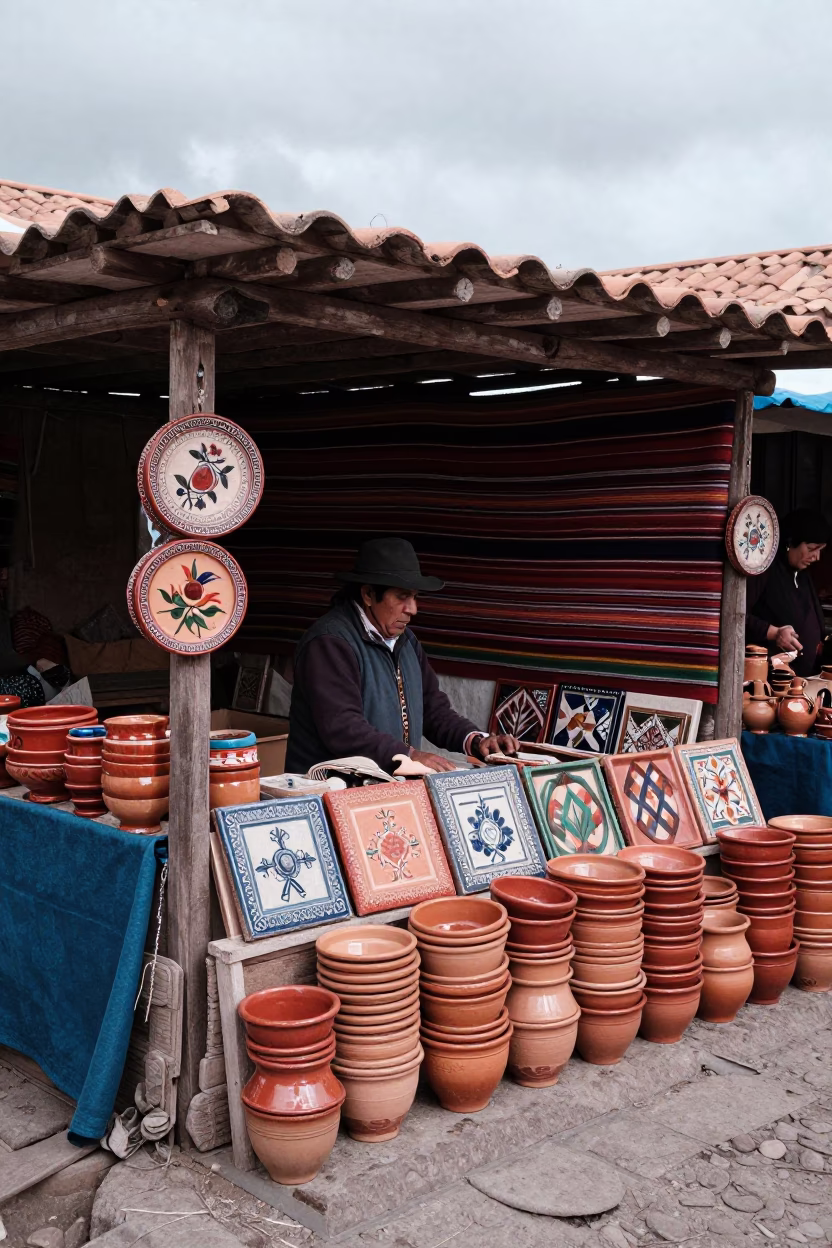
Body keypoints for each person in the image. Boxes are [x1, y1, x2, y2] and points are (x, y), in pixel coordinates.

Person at [286, 537, 519, 775]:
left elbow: (433, 709)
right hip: (328, 790)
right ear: (368, 594)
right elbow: (343, 727)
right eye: (401, 597)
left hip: (384, 788)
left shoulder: (406, 642)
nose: (412, 609)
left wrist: (475, 740)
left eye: (415, 597)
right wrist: (410, 755)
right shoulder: (329, 642)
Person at [746, 508, 829, 678]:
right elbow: (738, 617)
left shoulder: (803, 575)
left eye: (820, 550)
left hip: (805, 679)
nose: (817, 557)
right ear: (790, 543)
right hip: (771, 680)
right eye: (812, 548)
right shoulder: (764, 571)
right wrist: (774, 633)